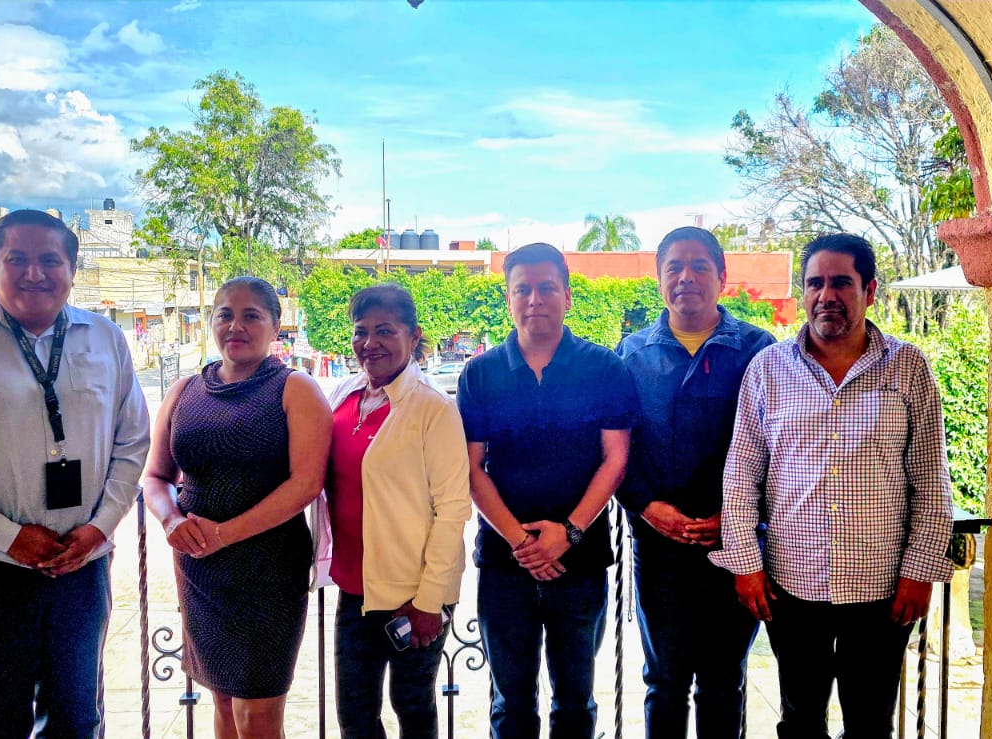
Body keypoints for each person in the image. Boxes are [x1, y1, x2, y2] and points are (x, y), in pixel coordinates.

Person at [0, 209, 151, 738]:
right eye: (17, 259)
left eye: (49, 260)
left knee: (76, 721)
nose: (34, 273)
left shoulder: (105, 338)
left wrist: (100, 527)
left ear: (72, 270)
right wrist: (8, 536)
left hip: (80, 565)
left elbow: (131, 442)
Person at [711, 233, 954, 739]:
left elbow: (931, 479)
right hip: (791, 583)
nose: (827, 295)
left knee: (870, 723)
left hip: (883, 585)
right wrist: (746, 566)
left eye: (842, 282)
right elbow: (741, 475)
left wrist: (920, 571)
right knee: (800, 720)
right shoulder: (768, 369)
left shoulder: (908, 367)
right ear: (803, 292)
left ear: (870, 290)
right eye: (815, 283)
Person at [455, 243, 639, 739]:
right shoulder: (480, 374)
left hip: (580, 562)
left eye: (546, 288)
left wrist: (569, 533)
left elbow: (616, 459)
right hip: (504, 563)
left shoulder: (604, 368)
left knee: (575, 701)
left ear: (567, 295)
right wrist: (521, 542)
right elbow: (472, 468)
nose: (534, 299)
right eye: (523, 289)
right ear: (509, 298)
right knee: (510, 703)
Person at [140, 276, 333, 738]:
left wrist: (224, 534)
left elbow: (306, 483)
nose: (236, 326)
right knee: (223, 703)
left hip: (268, 570)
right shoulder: (184, 391)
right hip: (200, 569)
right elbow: (154, 477)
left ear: (275, 326)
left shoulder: (295, 389)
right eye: (225, 314)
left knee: (257, 714)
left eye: (252, 316)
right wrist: (170, 520)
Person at [615, 227, 775, 738]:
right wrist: (645, 505)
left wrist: (738, 517)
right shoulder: (632, 354)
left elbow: (780, 447)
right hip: (659, 546)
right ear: (659, 278)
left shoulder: (759, 350)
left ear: (722, 277)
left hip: (736, 547)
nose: (686, 277)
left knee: (724, 681)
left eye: (700, 266)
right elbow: (616, 448)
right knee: (664, 681)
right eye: (674, 267)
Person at [324, 283, 472, 738]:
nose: (370, 343)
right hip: (355, 586)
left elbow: (453, 510)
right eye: (361, 331)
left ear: (414, 336)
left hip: (414, 592)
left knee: (411, 705)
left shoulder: (433, 409)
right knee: (355, 716)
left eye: (385, 330)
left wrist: (429, 601)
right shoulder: (344, 396)